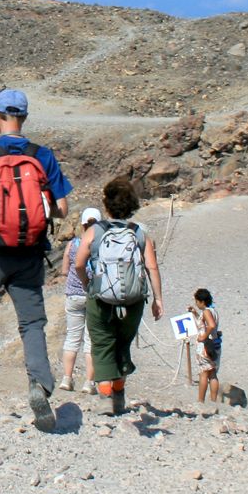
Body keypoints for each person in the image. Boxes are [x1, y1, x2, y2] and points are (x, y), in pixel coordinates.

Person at [0, 88, 72, 431]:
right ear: (24, 118)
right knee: (32, 322)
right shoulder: (43, 155)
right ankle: (38, 384)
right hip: (30, 252)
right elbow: (63, 209)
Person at [74, 176, 163, 416]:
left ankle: (106, 399)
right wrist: (158, 299)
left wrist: (87, 284)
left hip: (100, 298)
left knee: (102, 344)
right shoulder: (140, 233)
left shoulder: (94, 231)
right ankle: (120, 393)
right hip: (133, 300)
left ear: (107, 205)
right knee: (123, 344)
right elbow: (152, 267)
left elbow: (79, 263)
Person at [57, 207, 102, 392]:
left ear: (82, 224)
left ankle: (67, 379)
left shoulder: (73, 244)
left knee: (72, 338)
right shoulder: (100, 245)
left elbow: (65, 270)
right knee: (90, 340)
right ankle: (89, 383)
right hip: (93, 296)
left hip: (74, 295)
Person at [191, 288, 222, 408]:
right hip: (215, 344)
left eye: (197, 301)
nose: (196, 304)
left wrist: (203, 336)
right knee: (213, 373)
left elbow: (210, 325)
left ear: (201, 301)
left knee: (203, 373)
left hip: (205, 346)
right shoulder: (213, 311)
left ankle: (201, 401)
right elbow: (207, 323)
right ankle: (213, 401)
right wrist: (195, 313)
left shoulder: (206, 312)